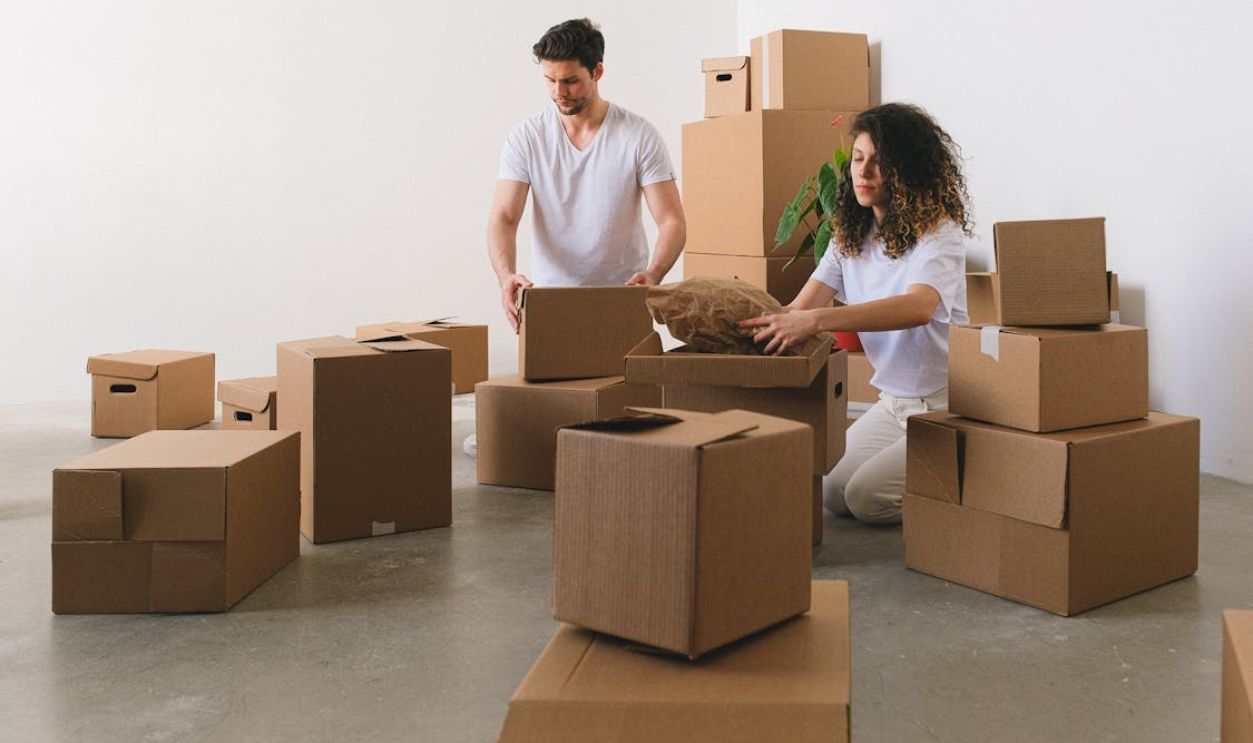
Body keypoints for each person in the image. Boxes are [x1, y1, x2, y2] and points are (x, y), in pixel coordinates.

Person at [740, 103, 972, 525]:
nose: (863, 173)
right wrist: (741, 320)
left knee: (867, 499)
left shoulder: (939, 233)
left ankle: (972, 482)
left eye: (880, 163)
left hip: (945, 405)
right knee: (832, 490)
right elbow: (799, 308)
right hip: (892, 404)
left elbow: (919, 307)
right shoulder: (850, 235)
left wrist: (818, 322)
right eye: (859, 159)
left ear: (908, 171)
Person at [487, 17, 687, 333]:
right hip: (550, 299)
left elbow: (672, 220)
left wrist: (654, 274)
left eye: (570, 81)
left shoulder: (638, 135)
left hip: (622, 296)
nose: (558, 92)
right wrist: (506, 275)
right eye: (549, 80)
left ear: (597, 72)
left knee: (623, 382)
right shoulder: (526, 137)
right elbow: (503, 217)